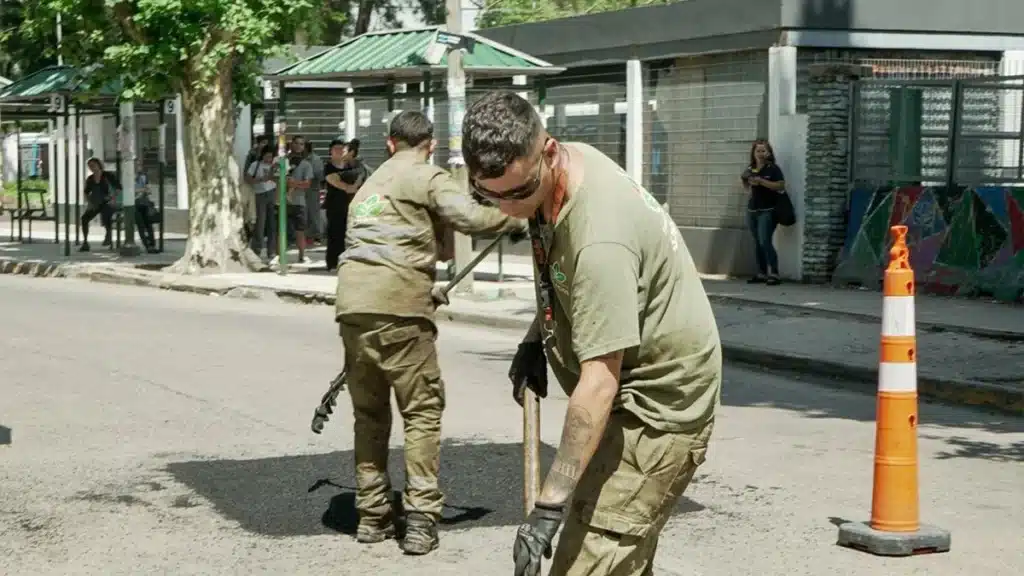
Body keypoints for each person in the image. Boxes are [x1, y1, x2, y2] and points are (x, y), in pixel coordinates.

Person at [461, 91, 722, 576]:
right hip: (623, 393)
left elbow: (600, 382)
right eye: (488, 195)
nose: (508, 207)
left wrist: (548, 507)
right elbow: (561, 278)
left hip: (657, 408)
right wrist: (537, 336)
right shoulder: (552, 179)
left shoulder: (600, 238)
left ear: (550, 151)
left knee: (587, 559)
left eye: (518, 193)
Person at [335, 110, 528, 555]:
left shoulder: (369, 186)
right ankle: (421, 519)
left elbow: (381, 249)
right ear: (431, 145)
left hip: (353, 310)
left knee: (370, 415)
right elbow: (468, 217)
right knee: (421, 411)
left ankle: (372, 516)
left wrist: (426, 291)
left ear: (389, 143)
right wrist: (515, 220)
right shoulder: (425, 175)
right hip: (399, 311)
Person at [741, 139, 786, 285]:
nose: (760, 154)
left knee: (765, 240)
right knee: (757, 242)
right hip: (752, 209)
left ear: (768, 153)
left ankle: (774, 273)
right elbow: (745, 186)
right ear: (753, 153)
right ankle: (761, 273)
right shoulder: (750, 168)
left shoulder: (773, 169)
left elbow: (780, 186)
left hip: (768, 210)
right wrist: (748, 181)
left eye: (763, 151)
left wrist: (762, 182)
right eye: (757, 151)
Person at [323, 138, 367, 271]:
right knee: (335, 234)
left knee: (349, 234)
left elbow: (360, 178)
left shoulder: (351, 166)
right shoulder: (328, 167)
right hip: (334, 205)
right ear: (330, 151)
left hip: (350, 204)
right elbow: (335, 181)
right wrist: (349, 187)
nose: (339, 152)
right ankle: (332, 263)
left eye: (342, 149)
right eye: (336, 149)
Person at [269, 137, 312, 266]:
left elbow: (307, 184)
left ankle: (302, 255)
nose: (298, 146)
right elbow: (272, 177)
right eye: (296, 143)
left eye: (301, 144)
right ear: (291, 145)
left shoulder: (306, 164)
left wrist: (294, 183)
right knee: (280, 229)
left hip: (298, 201)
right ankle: (279, 255)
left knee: (300, 230)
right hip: (281, 200)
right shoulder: (282, 161)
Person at [80, 157, 118, 252]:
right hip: (96, 202)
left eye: (93, 165)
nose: (92, 168)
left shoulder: (108, 175)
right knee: (84, 218)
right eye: (90, 166)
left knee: (106, 213)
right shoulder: (90, 179)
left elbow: (118, 188)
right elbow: (86, 192)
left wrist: (112, 198)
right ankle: (85, 242)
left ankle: (108, 235)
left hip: (108, 202)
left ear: (99, 165)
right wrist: (90, 202)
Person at [245, 145, 277, 257]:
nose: (268, 159)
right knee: (260, 223)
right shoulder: (255, 165)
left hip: (272, 193)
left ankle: (271, 250)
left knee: (272, 223)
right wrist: (260, 179)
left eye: (270, 157)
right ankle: (257, 248)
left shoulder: (275, 166)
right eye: (266, 156)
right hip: (259, 195)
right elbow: (248, 179)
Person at [304, 140, 326, 243]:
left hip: (312, 188)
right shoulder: (300, 158)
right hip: (302, 189)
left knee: (313, 212)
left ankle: (316, 235)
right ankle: (308, 234)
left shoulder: (315, 159)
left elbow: (319, 175)